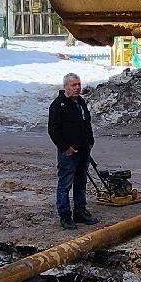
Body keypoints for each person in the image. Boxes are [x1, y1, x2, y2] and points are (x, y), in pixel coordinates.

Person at [48, 72, 98, 230]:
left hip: (84, 151)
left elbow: (86, 123)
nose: (77, 88)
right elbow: (53, 130)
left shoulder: (81, 102)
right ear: (65, 87)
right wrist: (65, 148)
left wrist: (90, 141)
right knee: (65, 185)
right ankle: (65, 216)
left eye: (78, 84)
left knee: (81, 183)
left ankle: (80, 212)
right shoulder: (58, 105)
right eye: (73, 85)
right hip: (69, 153)